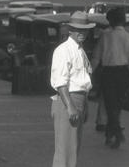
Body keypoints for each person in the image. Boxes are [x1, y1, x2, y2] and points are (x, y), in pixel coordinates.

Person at [50, 14, 94, 167]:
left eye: (85, 30)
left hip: (79, 100)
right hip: (67, 100)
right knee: (65, 152)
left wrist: (84, 105)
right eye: (77, 29)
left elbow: (82, 81)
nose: (82, 33)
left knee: (73, 149)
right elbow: (61, 83)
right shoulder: (63, 50)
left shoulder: (80, 50)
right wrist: (70, 107)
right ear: (70, 30)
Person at [93, 7, 129, 149]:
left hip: (108, 73)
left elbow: (96, 57)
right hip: (123, 73)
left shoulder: (105, 36)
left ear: (110, 21)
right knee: (117, 105)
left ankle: (115, 132)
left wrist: (88, 73)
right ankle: (110, 132)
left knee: (109, 103)